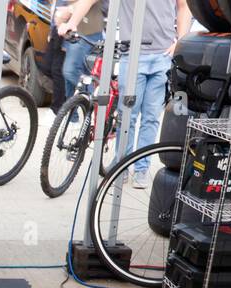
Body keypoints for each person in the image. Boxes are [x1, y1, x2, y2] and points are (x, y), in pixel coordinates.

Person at [57, 0, 192, 187]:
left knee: (151, 117)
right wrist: (73, 22)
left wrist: (181, 40)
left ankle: (141, 169)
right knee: (127, 115)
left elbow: (183, 6)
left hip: (163, 56)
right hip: (132, 54)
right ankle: (122, 164)